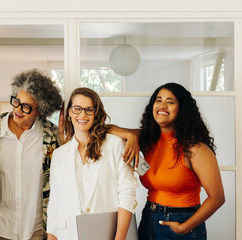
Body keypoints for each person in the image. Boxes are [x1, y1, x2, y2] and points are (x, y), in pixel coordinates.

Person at [0, 69, 63, 240]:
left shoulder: (52, 136)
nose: (18, 110)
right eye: (16, 101)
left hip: (35, 229)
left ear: (40, 110)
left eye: (26, 107)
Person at [46, 87, 139, 240]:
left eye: (89, 109)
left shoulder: (115, 145)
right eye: (77, 109)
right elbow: (54, 204)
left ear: (96, 114)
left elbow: (127, 193)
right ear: (69, 113)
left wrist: (120, 238)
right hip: (68, 235)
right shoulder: (59, 155)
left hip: (107, 234)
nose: (82, 114)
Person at [137, 82, 225, 240]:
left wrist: (184, 228)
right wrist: (130, 137)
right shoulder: (149, 142)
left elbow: (217, 197)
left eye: (170, 102)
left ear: (182, 110)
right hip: (148, 219)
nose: (162, 105)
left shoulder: (195, 149)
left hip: (181, 222)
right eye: (158, 100)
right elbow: (117, 132)